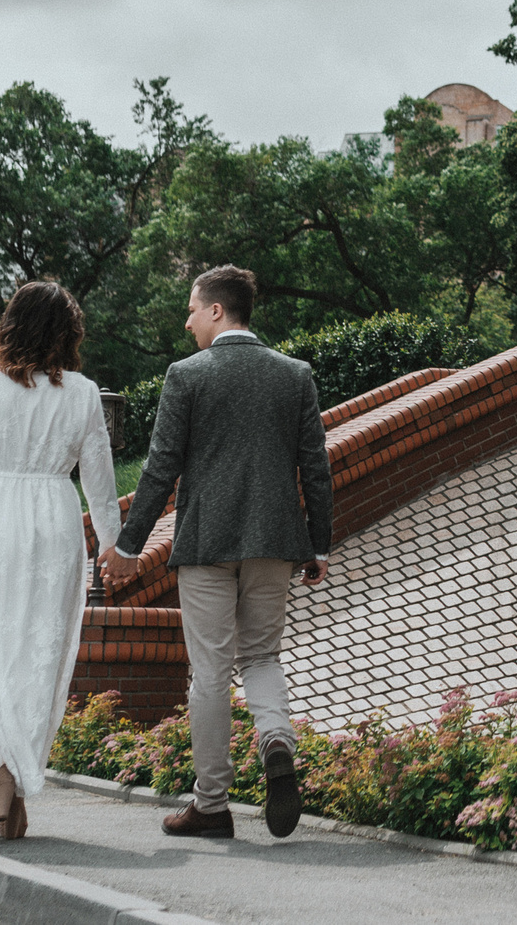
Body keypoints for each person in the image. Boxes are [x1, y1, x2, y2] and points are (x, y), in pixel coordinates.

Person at [99, 264, 332, 840]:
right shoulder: (295, 374)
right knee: (261, 658)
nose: (187, 321)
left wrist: (129, 545)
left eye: (192, 308)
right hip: (276, 542)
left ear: (217, 311)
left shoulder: (186, 375)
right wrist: (318, 542)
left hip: (206, 544)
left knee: (209, 671)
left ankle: (211, 805)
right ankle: (275, 739)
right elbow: (317, 469)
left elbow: (160, 470)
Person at [0, 279, 122, 841]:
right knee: (39, 652)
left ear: (11, 325)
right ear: (67, 334)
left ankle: (2, 783)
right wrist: (113, 545)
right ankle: (8, 785)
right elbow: (100, 483)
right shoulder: (83, 393)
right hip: (55, 523)